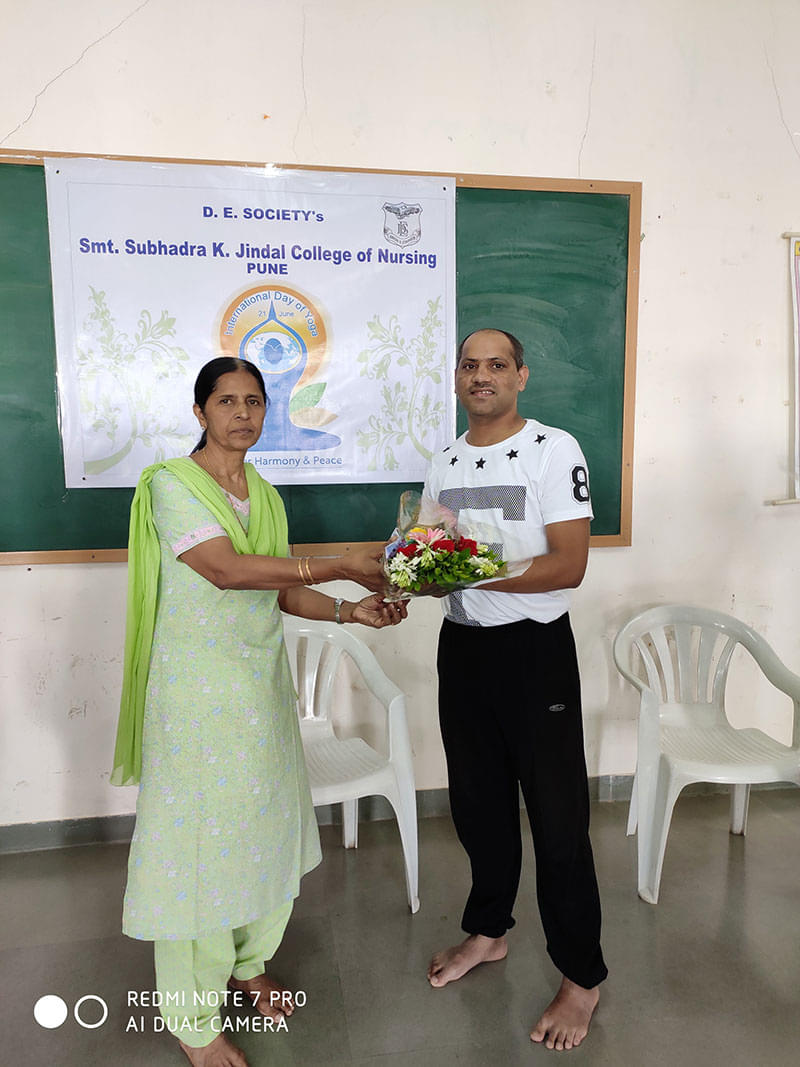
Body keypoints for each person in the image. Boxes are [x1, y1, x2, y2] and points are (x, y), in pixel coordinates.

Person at [112, 356, 406, 1067]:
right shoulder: (170, 487)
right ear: (200, 412)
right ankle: (193, 1019)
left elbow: (273, 593)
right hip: (195, 695)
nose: (242, 413)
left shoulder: (264, 494)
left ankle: (248, 963)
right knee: (201, 851)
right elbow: (225, 568)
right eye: (226, 401)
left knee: (265, 828)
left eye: (254, 400)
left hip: (259, 690)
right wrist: (334, 563)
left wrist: (350, 611)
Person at [423, 329, 607, 1051]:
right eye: (470, 365)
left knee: (558, 822)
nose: (481, 375)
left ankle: (582, 976)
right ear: (458, 378)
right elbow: (431, 555)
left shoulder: (553, 450)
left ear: (521, 375)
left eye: (496, 365)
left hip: (534, 656)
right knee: (478, 808)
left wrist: (472, 572)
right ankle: (489, 930)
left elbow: (568, 565)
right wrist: (407, 576)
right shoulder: (442, 459)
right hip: (461, 651)